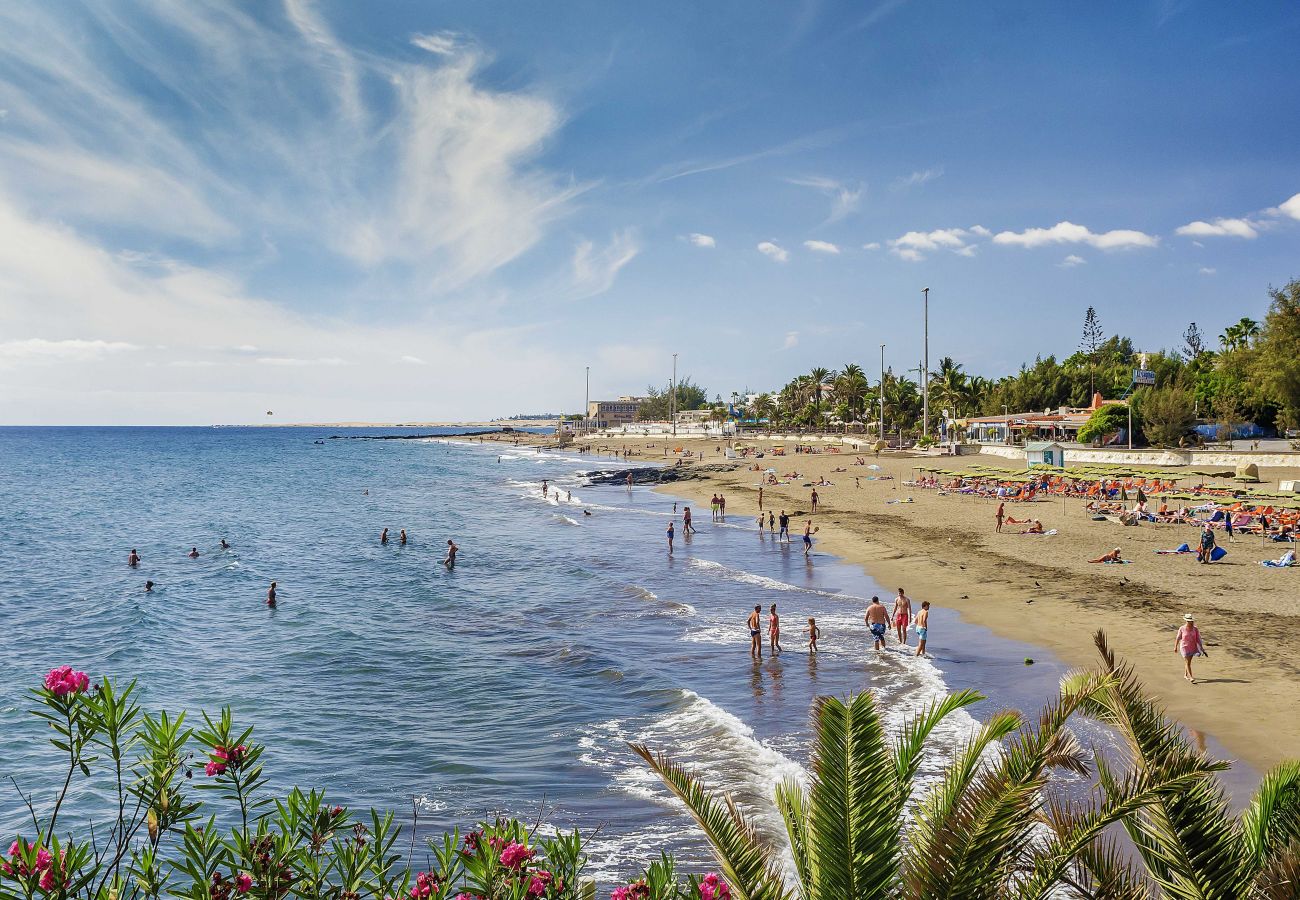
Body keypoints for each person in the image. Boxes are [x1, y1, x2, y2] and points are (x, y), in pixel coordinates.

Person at [1175, 613, 1207, 683]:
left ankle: (1185, 675)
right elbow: (1178, 638)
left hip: (1192, 647)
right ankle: (1191, 677)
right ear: (1186, 621)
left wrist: (1201, 648)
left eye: (1192, 621)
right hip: (1184, 647)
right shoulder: (1182, 628)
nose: (1191, 622)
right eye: (1190, 621)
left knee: (1188, 662)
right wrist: (1175, 647)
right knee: (1187, 662)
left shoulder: (1195, 629)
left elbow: (1198, 639)